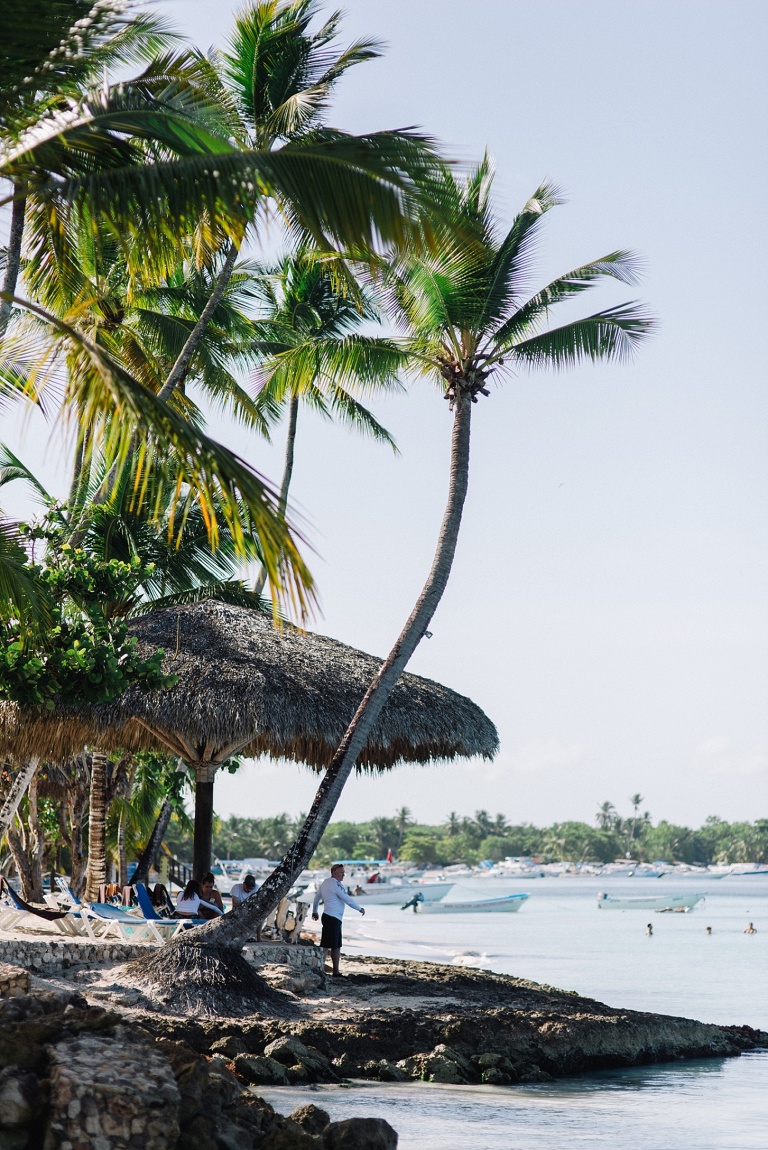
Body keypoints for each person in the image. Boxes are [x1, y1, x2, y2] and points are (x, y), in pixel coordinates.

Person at [312, 863, 365, 977]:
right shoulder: (333, 884)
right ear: (334, 872)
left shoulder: (327, 883)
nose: (343, 875)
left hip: (331, 917)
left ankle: (333, 970)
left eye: (344, 873)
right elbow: (347, 899)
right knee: (329, 945)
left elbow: (317, 898)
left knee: (335, 945)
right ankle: (326, 970)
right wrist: (359, 908)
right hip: (332, 917)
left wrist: (315, 911)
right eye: (341, 873)